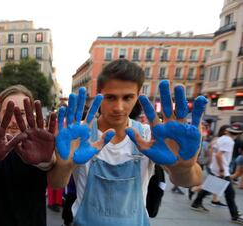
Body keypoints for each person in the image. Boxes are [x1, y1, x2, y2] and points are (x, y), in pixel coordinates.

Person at [48, 59, 207, 226]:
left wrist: (182, 167)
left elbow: (192, 181)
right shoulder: (80, 134)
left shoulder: (149, 135)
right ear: (98, 95)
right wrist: (64, 166)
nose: (119, 107)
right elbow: (55, 182)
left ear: (137, 96)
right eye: (110, 97)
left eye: (127, 97)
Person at [0, 85, 56, 226]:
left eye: (21, 113)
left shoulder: (42, 145)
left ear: (30, 115)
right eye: (8, 112)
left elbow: (51, 164)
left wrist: (45, 162)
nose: (15, 120)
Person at [191, 124, 243, 224]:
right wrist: (222, 170)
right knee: (230, 193)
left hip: (216, 168)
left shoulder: (222, 138)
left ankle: (196, 203)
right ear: (239, 133)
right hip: (221, 170)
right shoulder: (229, 141)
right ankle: (235, 215)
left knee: (210, 187)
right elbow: (219, 155)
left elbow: (215, 152)